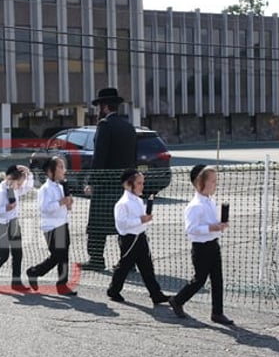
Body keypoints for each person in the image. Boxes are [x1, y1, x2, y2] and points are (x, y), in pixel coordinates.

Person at [169, 165, 234, 324]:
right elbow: (191, 229)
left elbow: (210, 223)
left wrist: (219, 225)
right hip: (201, 248)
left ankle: (217, 312)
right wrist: (211, 227)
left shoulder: (210, 201)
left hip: (213, 244)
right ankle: (177, 300)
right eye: (212, 181)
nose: (215, 184)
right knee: (199, 280)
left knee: (217, 279)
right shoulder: (195, 206)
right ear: (199, 184)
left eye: (215, 181)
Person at [84, 87, 137, 270]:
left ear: (105, 107)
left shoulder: (105, 125)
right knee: (125, 225)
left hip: (105, 183)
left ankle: (96, 259)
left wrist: (92, 181)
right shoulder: (129, 126)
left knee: (98, 223)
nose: (98, 110)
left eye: (99, 106)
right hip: (125, 184)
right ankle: (128, 262)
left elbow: (99, 157)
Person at [107, 169, 170, 306]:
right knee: (124, 266)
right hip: (129, 239)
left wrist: (144, 220)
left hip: (140, 237)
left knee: (147, 266)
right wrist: (141, 220)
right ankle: (113, 290)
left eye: (143, 183)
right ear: (129, 185)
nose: (142, 186)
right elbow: (122, 225)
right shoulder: (122, 204)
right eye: (139, 183)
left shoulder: (139, 201)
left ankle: (156, 294)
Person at [26, 155, 75, 295]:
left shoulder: (61, 186)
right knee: (57, 255)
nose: (63, 169)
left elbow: (66, 207)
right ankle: (34, 272)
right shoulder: (45, 189)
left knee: (63, 255)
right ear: (50, 171)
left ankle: (62, 284)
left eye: (63, 166)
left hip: (63, 223)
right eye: (60, 166)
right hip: (52, 226)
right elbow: (44, 208)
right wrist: (61, 202)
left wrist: (68, 204)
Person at [0, 164, 34, 290]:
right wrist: (5, 208)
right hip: (2, 225)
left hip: (14, 223)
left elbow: (28, 187)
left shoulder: (15, 188)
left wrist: (29, 173)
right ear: (11, 180)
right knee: (4, 254)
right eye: (19, 183)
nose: (21, 186)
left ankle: (16, 282)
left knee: (18, 253)